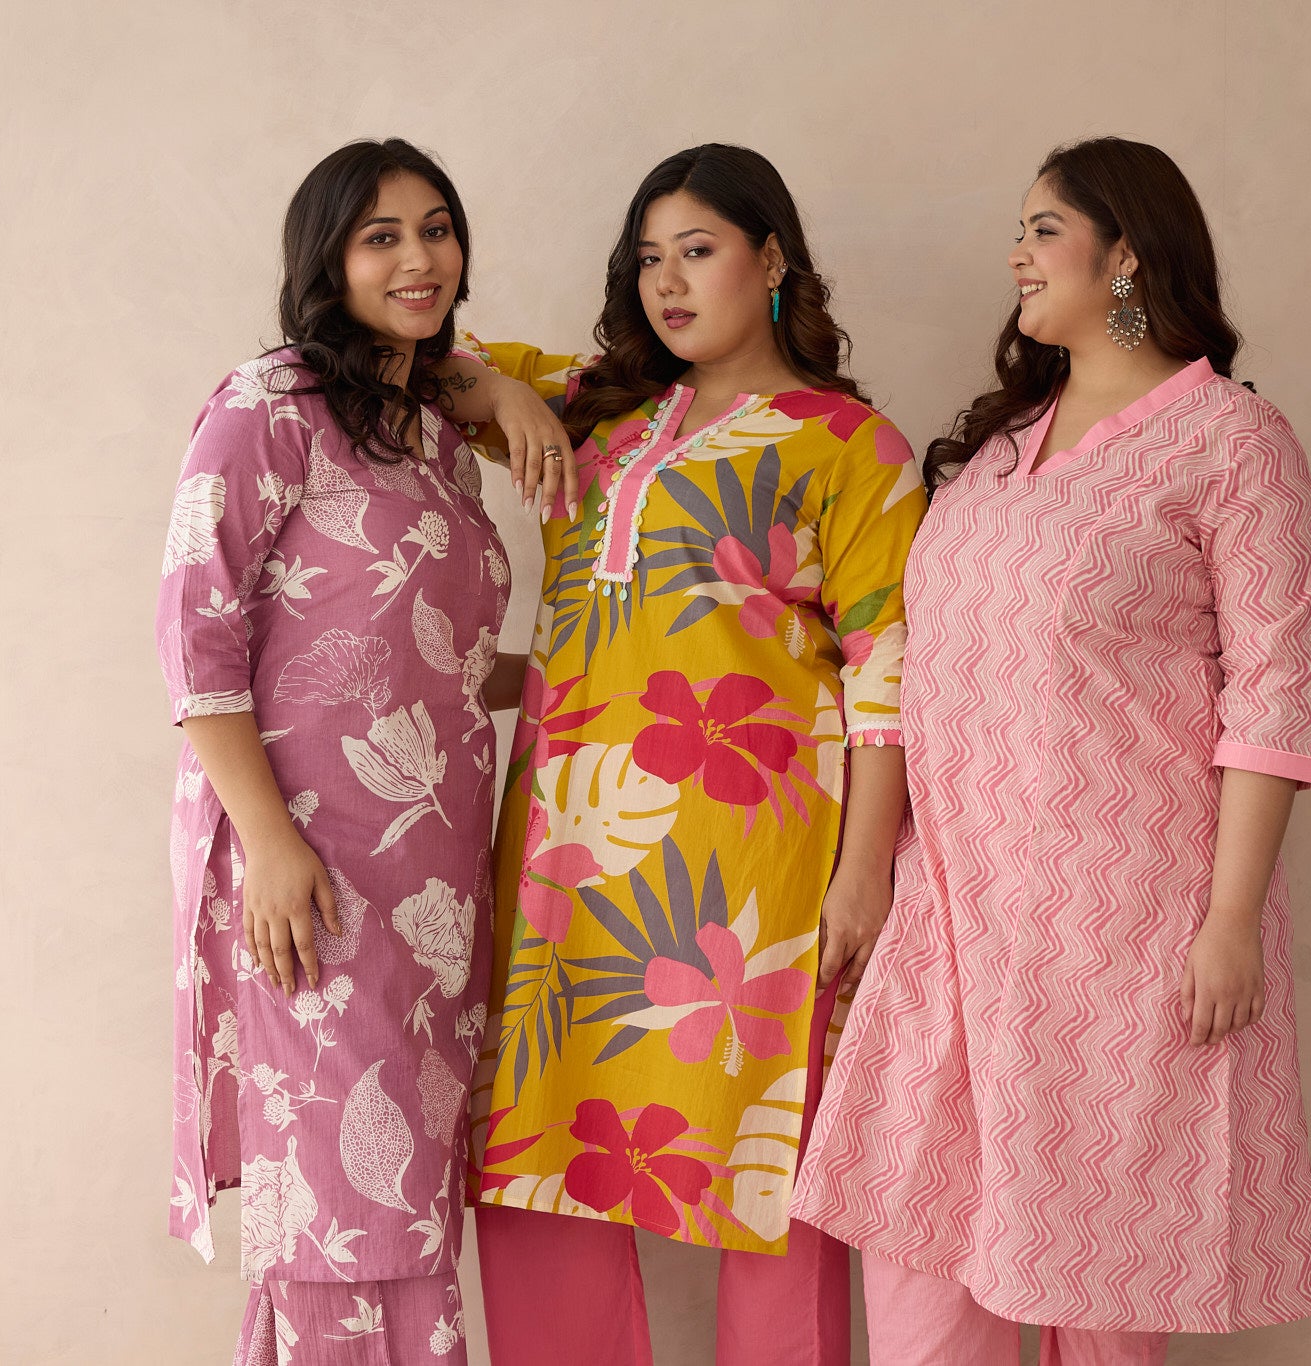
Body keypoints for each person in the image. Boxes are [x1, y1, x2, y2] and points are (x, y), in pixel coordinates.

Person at [791, 136, 1311, 1366]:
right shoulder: (993, 454)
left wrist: (1229, 918)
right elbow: (915, 669)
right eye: (1019, 231)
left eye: (1042, 229)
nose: (1015, 255)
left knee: (1097, 1295)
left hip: (1122, 937)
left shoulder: (1229, 443)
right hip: (954, 922)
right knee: (923, 1292)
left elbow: (1278, 693)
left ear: (1124, 252)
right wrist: (873, 871)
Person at [439, 143, 925, 1366]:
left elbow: (888, 674)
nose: (667, 282)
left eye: (697, 251)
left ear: (771, 258)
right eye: (648, 258)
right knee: (538, 1155)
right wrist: (508, 400)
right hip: (564, 855)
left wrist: (863, 873)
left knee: (765, 1178)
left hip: (751, 875)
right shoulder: (599, 412)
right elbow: (425, 361)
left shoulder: (851, 446)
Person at [153, 137, 561, 1366]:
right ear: (326, 259)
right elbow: (194, 643)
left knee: (400, 1197)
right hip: (309, 863)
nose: (418, 256)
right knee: (343, 1203)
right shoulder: (265, 406)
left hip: (430, 879)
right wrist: (269, 847)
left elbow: (434, 660)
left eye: (435, 228)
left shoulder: (431, 429)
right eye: (381, 235)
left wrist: (569, 676)